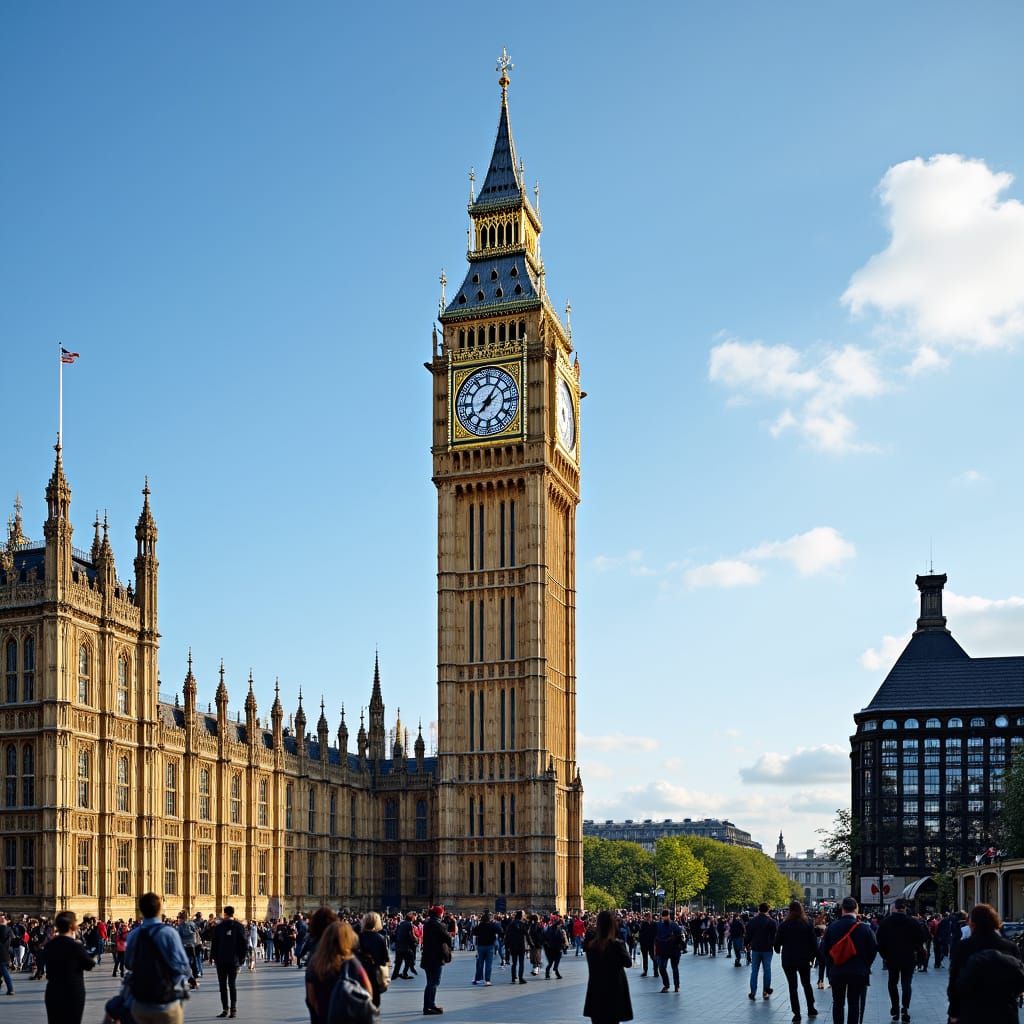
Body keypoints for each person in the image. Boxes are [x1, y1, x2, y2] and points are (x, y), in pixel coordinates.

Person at [948, 902, 1024, 1024]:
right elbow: (1019, 979)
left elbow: (954, 982)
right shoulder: (1010, 947)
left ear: (973, 923)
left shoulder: (964, 947)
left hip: (971, 1011)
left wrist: (953, 1012)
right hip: (1005, 1012)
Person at [124, 892, 191, 1024]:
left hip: (141, 1003)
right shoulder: (169, 932)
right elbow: (183, 966)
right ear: (160, 908)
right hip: (165, 1004)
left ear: (141, 910)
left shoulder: (133, 935)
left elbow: (128, 963)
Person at [305, 920, 372, 1024]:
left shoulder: (315, 962)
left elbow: (311, 998)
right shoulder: (352, 963)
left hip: (323, 1017)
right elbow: (368, 992)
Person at [823, 896, 878, 1024]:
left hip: (837, 970)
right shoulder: (865, 928)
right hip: (858, 971)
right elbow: (873, 949)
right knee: (854, 1003)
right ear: (856, 909)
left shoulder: (832, 927)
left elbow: (825, 950)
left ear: (842, 909)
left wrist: (831, 966)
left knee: (837, 1003)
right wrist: (865, 964)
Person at [876, 897, 927, 1023]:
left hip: (892, 958)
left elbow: (879, 941)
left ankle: (895, 1007)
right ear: (905, 908)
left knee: (892, 983)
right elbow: (922, 938)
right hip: (908, 957)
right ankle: (905, 1008)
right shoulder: (912, 922)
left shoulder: (886, 922)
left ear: (894, 908)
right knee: (906, 984)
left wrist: (885, 956)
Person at [43, 910, 95, 1024]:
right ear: (73, 926)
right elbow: (89, 964)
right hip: (73, 991)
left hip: (53, 990)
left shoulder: (50, 945)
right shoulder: (75, 946)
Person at [583, 910, 633, 1024]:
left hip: (596, 993)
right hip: (613, 993)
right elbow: (628, 963)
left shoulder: (591, 946)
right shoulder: (616, 945)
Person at [775, 900, 817, 1022]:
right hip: (804, 959)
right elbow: (814, 944)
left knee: (792, 987)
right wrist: (814, 957)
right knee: (806, 984)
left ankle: (797, 1013)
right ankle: (811, 1008)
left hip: (788, 960)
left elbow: (777, 945)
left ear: (789, 910)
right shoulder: (808, 923)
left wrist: (779, 948)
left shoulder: (784, 925)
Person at [210, 905, 248, 1019]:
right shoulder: (239, 926)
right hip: (234, 960)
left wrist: (213, 958)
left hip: (221, 960)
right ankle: (233, 1009)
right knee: (232, 984)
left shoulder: (219, 927)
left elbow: (214, 943)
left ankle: (225, 1009)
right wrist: (241, 959)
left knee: (222, 985)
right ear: (233, 913)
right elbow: (244, 945)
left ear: (225, 914)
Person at [421, 905, 452, 1015]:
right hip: (435, 958)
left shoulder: (428, 923)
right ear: (439, 914)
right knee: (434, 982)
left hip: (427, 957)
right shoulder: (438, 925)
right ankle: (428, 1007)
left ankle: (430, 1005)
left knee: (430, 982)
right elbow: (447, 938)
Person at [745, 901, 778, 1001]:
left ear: (759, 909)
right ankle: (765, 991)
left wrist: (746, 944)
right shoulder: (772, 922)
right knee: (767, 970)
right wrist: (774, 945)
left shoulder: (753, 921)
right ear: (768, 910)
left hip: (755, 948)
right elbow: (774, 936)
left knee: (754, 971)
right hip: (767, 949)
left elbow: (748, 934)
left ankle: (753, 992)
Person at [358, 911, 390, 1008]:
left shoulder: (358, 937)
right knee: (374, 1004)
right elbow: (385, 959)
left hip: (359, 974)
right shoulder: (380, 938)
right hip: (374, 975)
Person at [654, 909, 682, 993]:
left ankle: (675, 986)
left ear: (669, 916)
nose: (665, 918)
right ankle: (667, 985)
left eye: (666, 916)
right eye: (664, 916)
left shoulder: (674, 925)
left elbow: (679, 937)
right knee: (662, 967)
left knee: (674, 968)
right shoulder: (659, 925)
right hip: (664, 949)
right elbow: (655, 938)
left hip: (673, 949)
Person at [471, 910, 498, 985]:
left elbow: (474, 932)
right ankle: (487, 980)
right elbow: (500, 931)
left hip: (481, 946)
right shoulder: (492, 926)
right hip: (490, 946)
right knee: (488, 964)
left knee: (480, 963)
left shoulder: (479, 926)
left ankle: (478, 978)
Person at [504, 910, 529, 983]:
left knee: (514, 963)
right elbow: (527, 935)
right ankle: (521, 978)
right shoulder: (522, 924)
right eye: (523, 914)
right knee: (521, 963)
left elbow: (507, 936)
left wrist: (507, 946)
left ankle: (513, 978)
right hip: (521, 946)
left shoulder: (511, 924)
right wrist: (531, 944)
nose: (524, 916)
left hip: (513, 946)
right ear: (521, 916)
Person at [395, 912, 419, 979]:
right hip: (405, 945)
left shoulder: (402, 923)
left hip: (399, 944)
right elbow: (411, 935)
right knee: (409, 958)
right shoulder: (409, 924)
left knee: (399, 961)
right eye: (415, 917)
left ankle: (396, 974)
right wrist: (416, 939)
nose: (415, 918)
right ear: (412, 917)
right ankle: (405, 973)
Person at [637, 911, 657, 977]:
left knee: (653, 957)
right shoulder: (643, 924)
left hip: (652, 943)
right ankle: (645, 971)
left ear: (650, 916)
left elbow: (656, 934)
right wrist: (641, 942)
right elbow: (640, 933)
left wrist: (655, 942)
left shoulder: (654, 924)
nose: (647, 918)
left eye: (648, 916)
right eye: (646, 916)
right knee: (645, 958)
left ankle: (656, 971)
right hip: (644, 944)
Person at [0, 912, 15, 995]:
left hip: (2, 954)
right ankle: (10, 989)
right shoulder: (9, 930)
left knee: (4, 972)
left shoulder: (3, 928)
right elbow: (12, 941)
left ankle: (11, 989)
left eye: (3, 918)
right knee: (3, 971)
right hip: (5, 953)